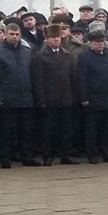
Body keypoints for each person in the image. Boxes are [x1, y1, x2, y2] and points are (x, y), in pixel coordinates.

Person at [0, 24, 39, 168]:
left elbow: (32, 75)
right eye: (11, 34)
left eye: (17, 34)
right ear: (5, 35)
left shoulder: (27, 52)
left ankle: (27, 156)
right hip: (7, 99)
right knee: (6, 131)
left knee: (26, 131)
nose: (14, 37)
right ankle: (5, 157)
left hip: (26, 98)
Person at [30, 24, 78, 165]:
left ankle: (65, 154)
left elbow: (72, 79)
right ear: (47, 39)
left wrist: (73, 97)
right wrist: (41, 101)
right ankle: (47, 155)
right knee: (48, 130)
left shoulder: (67, 55)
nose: (56, 40)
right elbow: (37, 81)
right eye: (52, 37)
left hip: (66, 99)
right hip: (49, 100)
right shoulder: (40, 56)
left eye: (57, 37)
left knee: (66, 129)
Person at [76, 30, 108, 164]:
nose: (100, 44)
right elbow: (81, 79)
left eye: (102, 41)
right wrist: (84, 97)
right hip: (93, 99)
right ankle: (92, 154)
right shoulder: (84, 57)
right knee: (92, 130)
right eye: (97, 42)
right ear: (90, 43)